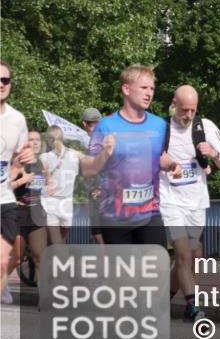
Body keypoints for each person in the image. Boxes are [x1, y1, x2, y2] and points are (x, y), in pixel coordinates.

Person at [159, 85, 220, 321]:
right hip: (169, 201)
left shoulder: (205, 127)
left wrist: (213, 153)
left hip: (197, 201)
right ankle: (193, 306)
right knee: (182, 253)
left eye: (192, 110)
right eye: (184, 110)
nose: (188, 115)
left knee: (191, 257)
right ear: (174, 104)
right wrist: (164, 162)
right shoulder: (161, 129)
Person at [83, 65, 168, 247]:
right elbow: (88, 168)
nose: (149, 93)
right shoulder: (105, 125)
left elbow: (159, 158)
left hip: (150, 212)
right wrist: (104, 154)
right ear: (126, 89)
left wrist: (172, 165)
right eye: (144, 88)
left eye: (152, 88)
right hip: (116, 215)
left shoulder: (159, 125)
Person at [1, 60, 35, 305]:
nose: (1, 85)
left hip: (4, 199)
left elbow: (17, 161)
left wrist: (26, 158)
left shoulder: (17, 119)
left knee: (3, 260)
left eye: (5, 80)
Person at [4, 129, 45, 304]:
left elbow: (48, 184)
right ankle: (2, 284)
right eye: (31, 140)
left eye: (37, 139)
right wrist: (22, 180)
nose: (34, 142)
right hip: (19, 213)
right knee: (17, 257)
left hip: (38, 213)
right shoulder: (18, 162)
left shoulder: (43, 163)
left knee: (39, 256)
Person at [40, 125, 84, 245]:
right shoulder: (75, 156)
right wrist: (78, 153)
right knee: (62, 240)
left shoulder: (44, 157)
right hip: (67, 203)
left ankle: (62, 263)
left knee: (56, 242)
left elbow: (41, 180)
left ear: (49, 139)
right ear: (62, 138)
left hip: (50, 202)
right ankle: (60, 262)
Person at [80, 108, 105, 245]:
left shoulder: (107, 141)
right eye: (92, 123)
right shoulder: (82, 144)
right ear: (85, 124)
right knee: (97, 232)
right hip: (92, 194)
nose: (95, 127)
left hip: (108, 193)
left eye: (98, 123)